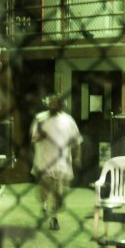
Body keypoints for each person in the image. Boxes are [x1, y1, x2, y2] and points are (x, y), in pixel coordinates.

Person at [30, 93, 82, 230]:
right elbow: (33, 139)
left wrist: (77, 157)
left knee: (58, 192)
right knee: (44, 191)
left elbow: (77, 141)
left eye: (56, 103)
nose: (52, 105)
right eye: (50, 103)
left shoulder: (68, 120)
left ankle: (54, 218)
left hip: (62, 163)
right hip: (43, 161)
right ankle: (44, 207)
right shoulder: (40, 118)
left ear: (61, 105)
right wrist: (42, 136)